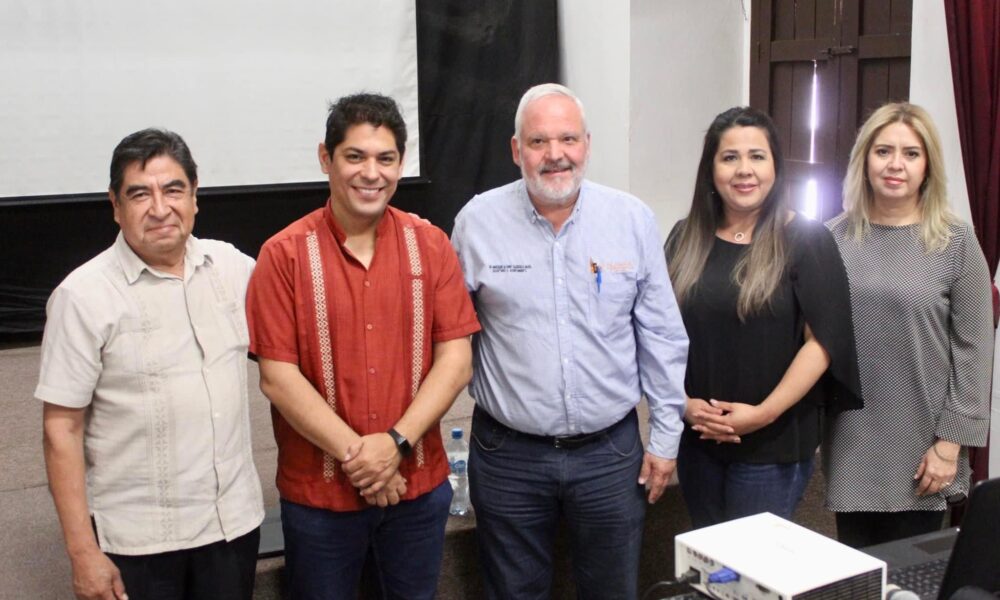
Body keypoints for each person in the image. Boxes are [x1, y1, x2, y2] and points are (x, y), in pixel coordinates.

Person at [451, 83, 689, 600]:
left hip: (609, 455)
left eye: (568, 139)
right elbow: (449, 340)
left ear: (587, 143)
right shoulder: (476, 224)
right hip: (508, 455)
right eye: (538, 142)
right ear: (517, 150)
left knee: (611, 591)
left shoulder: (630, 219)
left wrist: (666, 438)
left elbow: (662, 337)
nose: (555, 154)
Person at [245, 93, 480, 600]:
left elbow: (456, 362)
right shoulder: (282, 256)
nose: (371, 173)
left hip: (417, 491)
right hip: (320, 501)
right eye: (355, 156)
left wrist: (394, 444)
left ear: (400, 164)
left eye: (386, 158)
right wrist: (366, 460)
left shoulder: (431, 244)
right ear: (326, 159)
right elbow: (277, 379)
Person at [38, 129, 265, 600]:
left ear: (195, 195)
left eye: (174, 190)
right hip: (139, 544)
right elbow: (61, 428)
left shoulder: (233, 268)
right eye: (140, 194)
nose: (160, 208)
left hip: (231, 528)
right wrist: (83, 553)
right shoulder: (82, 297)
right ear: (115, 205)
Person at [664, 106, 861, 529]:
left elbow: (822, 343)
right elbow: (659, 333)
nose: (744, 170)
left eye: (757, 156)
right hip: (698, 439)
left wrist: (763, 414)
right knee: (710, 565)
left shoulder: (807, 239)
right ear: (711, 169)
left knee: (751, 577)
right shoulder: (684, 238)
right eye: (729, 157)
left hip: (772, 446)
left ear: (775, 166)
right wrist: (681, 405)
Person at [824, 102, 993, 548]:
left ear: (927, 167)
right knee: (854, 574)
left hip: (923, 447)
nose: (895, 164)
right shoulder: (831, 239)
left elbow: (974, 350)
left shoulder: (955, 242)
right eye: (883, 151)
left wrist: (951, 444)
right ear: (864, 160)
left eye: (911, 153)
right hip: (851, 440)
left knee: (908, 580)